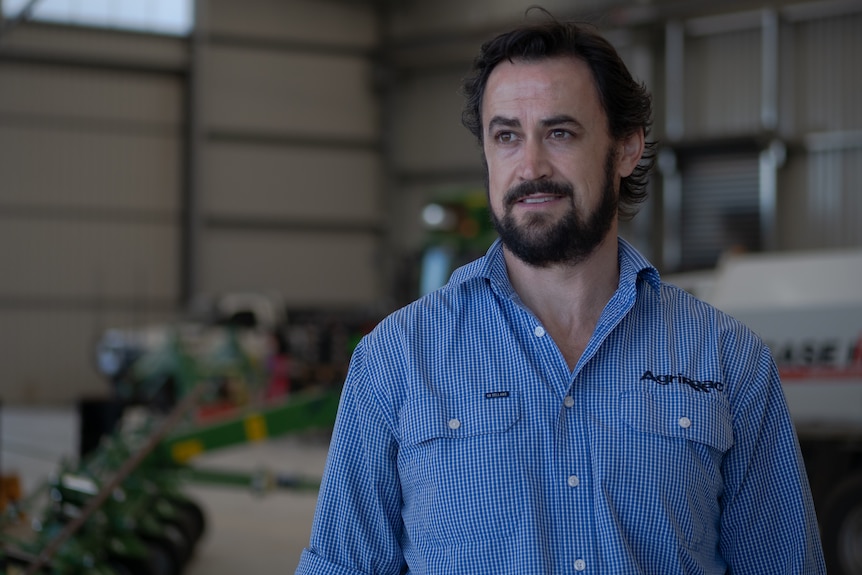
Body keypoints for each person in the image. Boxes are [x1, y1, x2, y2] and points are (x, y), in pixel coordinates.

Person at [295, 15, 826, 575]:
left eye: (560, 133)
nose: (531, 166)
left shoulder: (725, 358)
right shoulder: (396, 360)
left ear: (625, 149)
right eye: (506, 136)